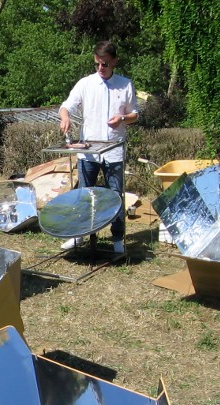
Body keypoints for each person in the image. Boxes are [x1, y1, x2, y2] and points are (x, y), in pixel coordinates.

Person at [59, 41, 138, 253]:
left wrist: (122, 118)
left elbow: (134, 115)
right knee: (86, 195)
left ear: (114, 62)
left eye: (105, 64)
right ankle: (81, 235)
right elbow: (66, 105)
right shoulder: (86, 84)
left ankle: (118, 240)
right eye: (97, 64)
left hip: (113, 152)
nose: (100, 68)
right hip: (88, 153)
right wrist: (65, 117)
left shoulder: (125, 84)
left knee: (115, 195)